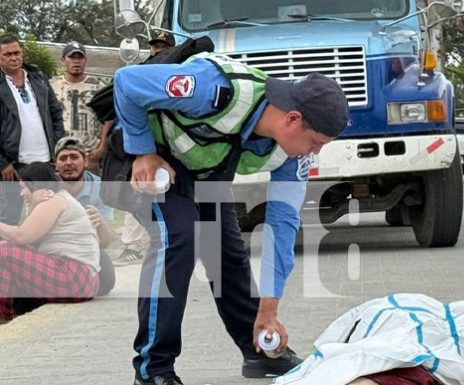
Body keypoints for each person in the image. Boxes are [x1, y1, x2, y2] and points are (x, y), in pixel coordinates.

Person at [111, 53, 349, 385]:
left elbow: (282, 226)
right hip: (153, 162)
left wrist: (269, 308)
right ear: (293, 120)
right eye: (315, 142)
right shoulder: (214, 88)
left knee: (226, 252)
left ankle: (257, 350)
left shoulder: (289, 156)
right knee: (180, 235)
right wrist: (143, 151)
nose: (315, 152)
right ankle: (153, 369)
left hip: (203, 173)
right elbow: (126, 81)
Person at [0, 162, 100, 323]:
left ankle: (2, 315)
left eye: (24, 187)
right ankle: (10, 310)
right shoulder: (51, 201)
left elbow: (21, 237)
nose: (21, 193)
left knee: (4, 251)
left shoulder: (53, 201)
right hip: (79, 279)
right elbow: (28, 243)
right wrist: (33, 204)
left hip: (73, 276)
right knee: (9, 254)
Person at [113, 33, 176, 267]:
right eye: (155, 46)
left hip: (171, 147)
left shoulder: (178, 71)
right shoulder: (137, 73)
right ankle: (132, 245)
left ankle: (166, 239)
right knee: (138, 190)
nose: (158, 50)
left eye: (163, 46)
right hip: (141, 147)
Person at [0, 35, 64, 225]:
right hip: (13, 165)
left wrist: (58, 149)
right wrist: (2, 163)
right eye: (7, 54)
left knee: (50, 214)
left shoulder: (38, 78)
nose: (13, 57)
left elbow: (56, 112)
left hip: (46, 161)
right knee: (9, 217)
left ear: (22, 52)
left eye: (17, 52)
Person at [51, 41, 110, 171]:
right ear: (63, 60)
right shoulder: (52, 86)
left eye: (80, 57)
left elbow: (107, 118)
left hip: (89, 155)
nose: (76, 61)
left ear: (85, 60)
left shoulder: (98, 87)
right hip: (61, 154)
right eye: (72, 57)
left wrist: (101, 148)